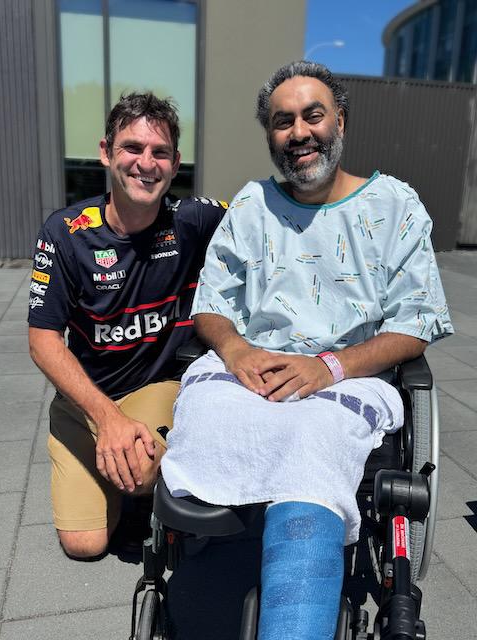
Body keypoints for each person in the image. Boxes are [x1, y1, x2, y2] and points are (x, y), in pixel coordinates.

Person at [161, 62, 453, 639]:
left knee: (313, 440)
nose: (299, 133)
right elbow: (212, 304)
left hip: (347, 375)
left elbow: (416, 323)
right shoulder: (252, 206)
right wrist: (235, 350)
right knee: (203, 412)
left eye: (312, 116)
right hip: (253, 369)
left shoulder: (395, 206)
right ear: (270, 135)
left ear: (340, 121)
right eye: (282, 121)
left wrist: (329, 367)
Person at [28, 93, 227, 559]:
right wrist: (108, 419)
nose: (146, 163)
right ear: (106, 152)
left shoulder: (193, 219)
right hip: (85, 400)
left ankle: (140, 486)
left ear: (175, 163)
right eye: (132, 148)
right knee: (85, 545)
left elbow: (264, 219)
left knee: (137, 470)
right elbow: (42, 341)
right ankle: (117, 471)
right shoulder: (65, 232)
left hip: (155, 385)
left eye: (160, 152)